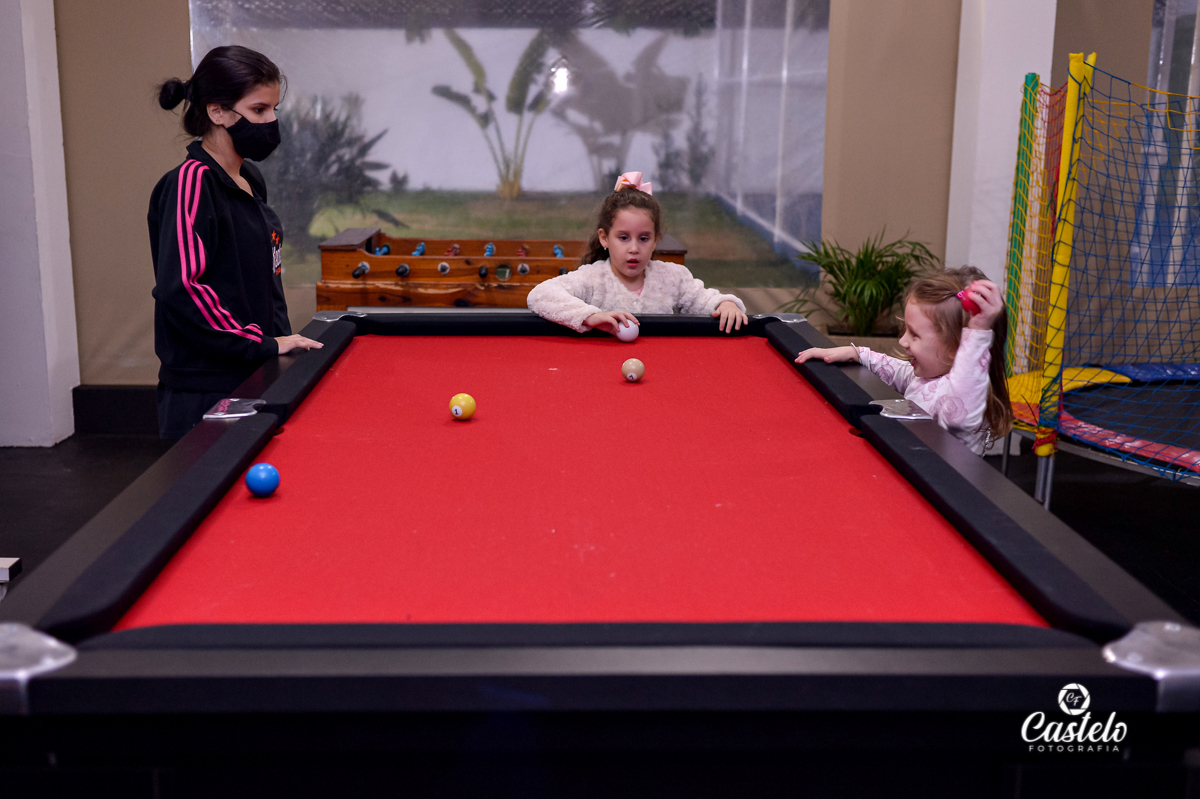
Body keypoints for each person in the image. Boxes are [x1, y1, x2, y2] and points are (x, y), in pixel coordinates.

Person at [149, 46, 322, 440]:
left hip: (256, 370)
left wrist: (276, 348)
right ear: (218, 112)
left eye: (274, 109)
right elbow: (183, 289)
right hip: (205, 388)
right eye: (259, 110)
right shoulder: (190, 184)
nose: (271, 121)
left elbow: (263, 279)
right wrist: (260, 345)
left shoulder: (251, 179)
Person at [794, 267, 1014, 455]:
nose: (902, 341)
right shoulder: (930, 376)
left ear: (956, 348)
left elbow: (959, 417)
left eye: (914, 334)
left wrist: (977, 333)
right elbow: (900, 372)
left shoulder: (959, 395)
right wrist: (858, 353)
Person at [527, 172, 748, 335]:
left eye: (643, 239)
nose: (634, 248)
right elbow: (540, 295)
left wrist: (725, 305)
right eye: (623, 238)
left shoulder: (673, 278)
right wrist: (591, 316)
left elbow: (705, 300)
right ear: (604, 238)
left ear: (655, 240)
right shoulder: (591, 278)